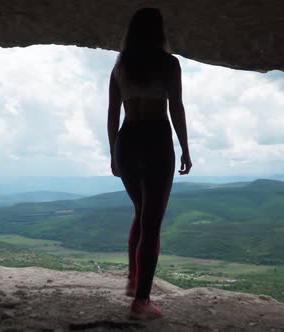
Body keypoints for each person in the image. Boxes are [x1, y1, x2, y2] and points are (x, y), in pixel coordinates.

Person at [107, 7, 192, 320]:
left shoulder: (120, 66)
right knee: (152, 222)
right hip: (156, 139)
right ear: (160, 32)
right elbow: (176, 108)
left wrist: (112, 151)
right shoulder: (169, 64)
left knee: (141, 213)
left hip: (127, 140)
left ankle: (133, 281)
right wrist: (184, 147)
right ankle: (141, 300)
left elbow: (113, 113)